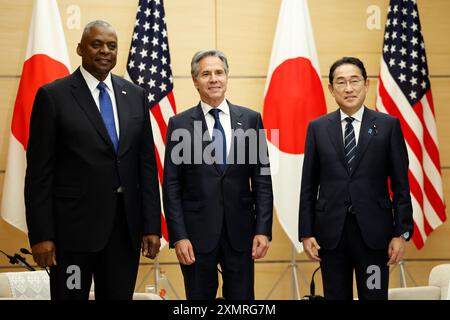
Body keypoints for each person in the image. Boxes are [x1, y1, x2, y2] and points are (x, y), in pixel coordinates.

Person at [24, 20, 161, 300]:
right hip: (72, 237)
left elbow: (145, 166)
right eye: (96, 44)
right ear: (80, 49)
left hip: (124, 232)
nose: (104, 51)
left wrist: (151, 227)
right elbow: (39, 173)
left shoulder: (135, 95)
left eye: (111, 46)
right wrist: (41, 235)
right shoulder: (54, 96)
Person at [298, 57, 414, 300]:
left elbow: (402, 186)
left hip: (375, 237)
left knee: (373, 294)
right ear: (331, 89)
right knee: (335, 296)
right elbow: (308, 186)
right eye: (340, 82)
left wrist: (400, 233)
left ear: (366, 84)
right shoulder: (318, 128)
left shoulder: (387, 126)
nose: (348, 88)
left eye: (354, 81)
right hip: (331, 236)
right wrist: (306, 233)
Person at [163, 49, 273, 300]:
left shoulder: (251, 120)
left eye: (219, 72)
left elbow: (262, 181)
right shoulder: (179, 125)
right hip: (195, 236)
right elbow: (171, 186)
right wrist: (178, 236)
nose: (214, 79)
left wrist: (262, 230)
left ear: (226, 77)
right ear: (194, 80)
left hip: (241, 233)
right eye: (206, 74)